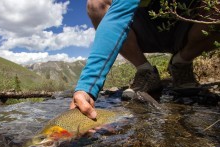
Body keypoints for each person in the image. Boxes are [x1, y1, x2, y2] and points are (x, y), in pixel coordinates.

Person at [70, 0, 220, 119]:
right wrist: (87, 87)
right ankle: (145, 70)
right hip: (142, 30)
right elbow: (116, 19)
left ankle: (181, 63)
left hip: (189, 27)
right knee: (96, 3)